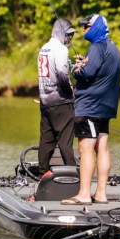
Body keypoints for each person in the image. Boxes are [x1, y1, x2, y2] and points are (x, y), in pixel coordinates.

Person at [62, 13, 120, 205]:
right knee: (102, 148)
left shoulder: (96, 47)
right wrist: (85, 61)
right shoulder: (113, 48)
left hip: (89, 106)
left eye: (87, 26)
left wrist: (75, 68)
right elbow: (99, 71)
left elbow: (86, 73)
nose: (84, 29)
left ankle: (84, 195)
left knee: (85, 149)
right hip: (106, 106)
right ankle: (101, 194)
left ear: (96, 28)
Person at [37, 18, 78, 175]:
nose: (70, 38)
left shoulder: (44, 48)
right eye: (68, 34)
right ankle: (73, 175)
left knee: (46, 141)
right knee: (65, 141)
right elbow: (61, 72)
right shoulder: (61, 49)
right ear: (60, 32)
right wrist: (69, 92)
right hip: (61, 102)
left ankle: (42, 174)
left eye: (72, 35)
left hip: (45, 102)